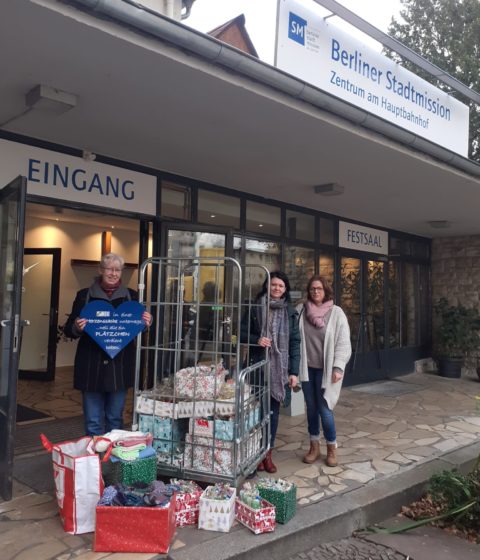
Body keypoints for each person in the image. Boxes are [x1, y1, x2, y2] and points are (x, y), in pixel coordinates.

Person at [64, 253, 152, 436]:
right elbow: (68, 329)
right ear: (100, 270)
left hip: (119, 367)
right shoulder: (84, 296)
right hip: (90, 367)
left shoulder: (132, 297)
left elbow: (137, 328)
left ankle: (112, 458)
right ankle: (95, 459)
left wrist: (146, 323)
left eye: (118, 270)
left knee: (115, 418)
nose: (113, 273)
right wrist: (77, 327)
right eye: (109, 269)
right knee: (93, 421)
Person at [241, 271, 300, 473]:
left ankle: (268, 453)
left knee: (273, 414)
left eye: (281, 286)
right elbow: (239, 333)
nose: (276, 288)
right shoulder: (254, 307)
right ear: (267, 286)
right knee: (256, 412)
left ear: (285, 290)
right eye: (273, 284)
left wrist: (294, 372)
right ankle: (255, 452)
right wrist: (256, 339)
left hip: (278, 371)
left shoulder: (290, 312)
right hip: (258, 366)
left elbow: (294, 343)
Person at [297, 275, 351, 467]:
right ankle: (314, 447)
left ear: (325, 290)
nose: (315, 292)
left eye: (319, 288)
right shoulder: (301, 311)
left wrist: (338, 367)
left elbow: (343, 343)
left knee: (325, 409)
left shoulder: (336, 313)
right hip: (307, 369)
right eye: (312, 289)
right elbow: (294, 340)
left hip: (327, 371)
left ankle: (331, 447)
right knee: (311, 408)